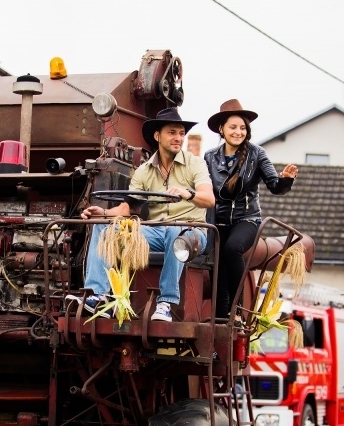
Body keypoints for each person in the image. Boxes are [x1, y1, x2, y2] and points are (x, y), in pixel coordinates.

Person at [80, 108, 214, 321]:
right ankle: (100, 295)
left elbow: (209, 199)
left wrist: (187, 194)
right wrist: (103, 212)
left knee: (174, 231)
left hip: (193, 234)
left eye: (181, 133)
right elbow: (127, 209)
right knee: (104, 227)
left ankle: (166, 302)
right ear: (157, 136)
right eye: (172, 132)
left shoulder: (195, 164)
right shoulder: (144, 171)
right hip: (157, 232)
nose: (178, 138)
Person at [204, 99, 298, 319]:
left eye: (242, 128)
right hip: (217, 221)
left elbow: (275, 186)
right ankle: (221, 320)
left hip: (246, 220)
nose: (238, 132)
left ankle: (239, 308)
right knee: (217, 267)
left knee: (232, 249)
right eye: (233, 127)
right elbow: (200, 186)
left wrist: (286, 180)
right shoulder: (209, 157)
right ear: (222, 129)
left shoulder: (257, 154)